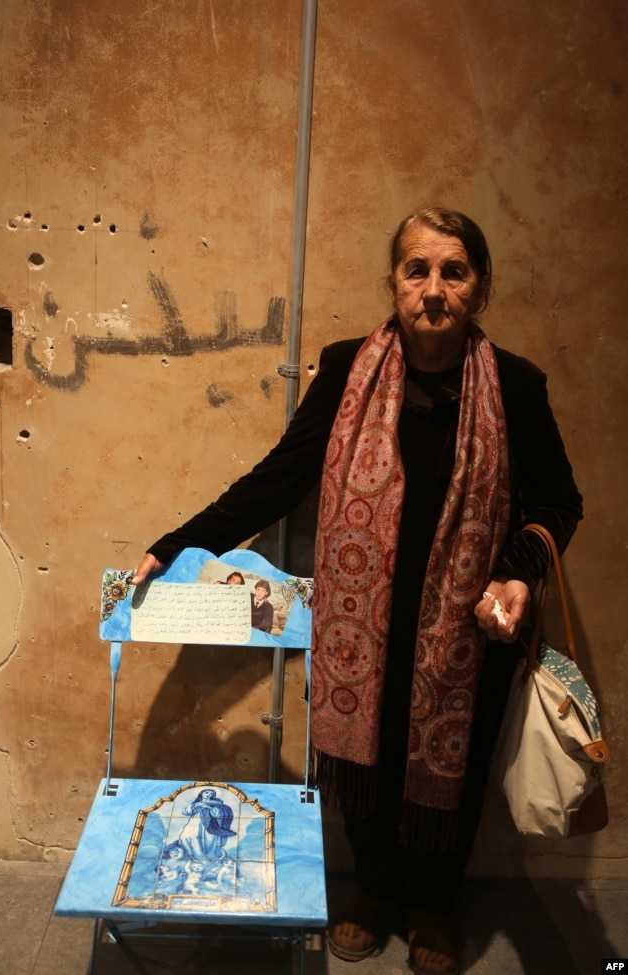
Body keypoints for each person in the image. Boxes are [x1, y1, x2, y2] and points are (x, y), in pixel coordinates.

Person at [132, 208, 582, 975]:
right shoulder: (348, 370)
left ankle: (435, 902)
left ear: (479, 287)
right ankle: (374, 890)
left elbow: (557, 502)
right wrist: (178, 542)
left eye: (454, 271)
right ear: (393, 281)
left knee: (457, 768)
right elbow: (281, 476)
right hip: (359, 625)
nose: (433, 288)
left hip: (467, 629)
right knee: (365, 763)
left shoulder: (515, 385)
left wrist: (515, 570)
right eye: (418, 269)